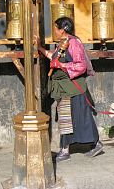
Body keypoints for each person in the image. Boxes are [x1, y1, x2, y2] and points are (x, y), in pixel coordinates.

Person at [35, 16, 103, 161]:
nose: (54, 30)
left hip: (73, 87)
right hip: (62, 88)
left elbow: (80, 66)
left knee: (82, 117)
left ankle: (95, 144)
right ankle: (65, 150)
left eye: (56, 28)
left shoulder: (73, 43)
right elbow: (54, 58)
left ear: (63, 29)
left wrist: (62, 66)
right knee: (66, 118)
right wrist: (40, 48)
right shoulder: (62, 43)